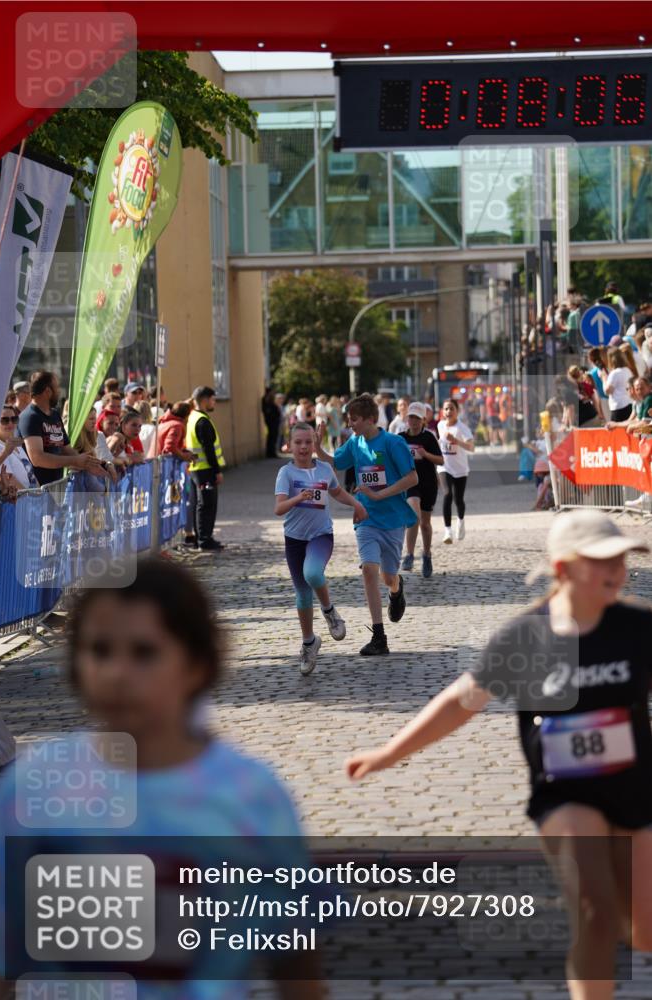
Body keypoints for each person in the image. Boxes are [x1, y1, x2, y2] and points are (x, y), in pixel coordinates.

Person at [346, 510, 652, 1000]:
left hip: (636, 789)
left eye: (621, 559)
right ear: (563, 570)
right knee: (594, 912)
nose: (617, 571)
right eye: (601, 562)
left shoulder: (638, 627)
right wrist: (389, 752)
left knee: (643, 930)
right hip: (564, 794)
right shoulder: (526, 637)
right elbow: (459, 704)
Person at [0, 558, 323, 998]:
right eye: (100, 651)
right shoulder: (30, 790)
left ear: (196, 664)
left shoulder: (251, 798)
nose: (117, 674)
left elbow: (297, 968)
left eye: (144, 652)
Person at [315, 393, 418, 657]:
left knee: (388, 576)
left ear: (371, 419)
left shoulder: (393, 443)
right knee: (369, 570)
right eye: (349, 421)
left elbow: (412, 478)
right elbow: (335, 462)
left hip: (393, 518)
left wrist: (380, 495)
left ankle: (396, 590)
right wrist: (318, 449)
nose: (351, 425)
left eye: (355, 420)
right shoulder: (355, 443)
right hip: (366, 517)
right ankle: (379, 636)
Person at [274, 422, 368, 675]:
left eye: (308, 442)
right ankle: (309, 642)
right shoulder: (286, 473)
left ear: (314, 443)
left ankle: (329, 612)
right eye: (298, 443)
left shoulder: (325, 469)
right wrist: (298, 498)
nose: (303, 447)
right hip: (294, 539)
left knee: (313, 573)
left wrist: (357, 505)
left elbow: (337, 493)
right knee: (302, 594)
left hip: (321, 536)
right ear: (290, 445)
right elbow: (279, 508)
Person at [17, 370, 105, 485]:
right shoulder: (30, 417)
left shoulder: (54, 415)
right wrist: (75, 461)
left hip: (56, 487)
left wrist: (96, 464)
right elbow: (37, 458)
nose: (59, 391)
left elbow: (66, 449)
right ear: (48, 391)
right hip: (36, 493)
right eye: (57, 387)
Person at [400, 402, 443, 578]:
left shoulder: (429, 437)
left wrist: (426, 455)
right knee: (413, 516)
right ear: (407, 418)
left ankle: (426, 554)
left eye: (417, 418)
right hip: (410, 483)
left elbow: (441, 461)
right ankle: (409, 555)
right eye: (411, 417)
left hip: (428, 484)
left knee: (425, 524)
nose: (414, 421)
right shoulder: (400, 437)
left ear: (423, 420)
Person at [186, 385, 226, 551]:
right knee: (207, 505)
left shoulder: (193, 417)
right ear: (204, 400)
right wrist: (216, 471)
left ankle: (202, 538)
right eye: (212, 399)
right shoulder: (202, 421)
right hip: (205, 470)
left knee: (200, 504)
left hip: (197, 469)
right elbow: (208, 449)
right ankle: (204, 540)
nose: (214, 402)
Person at [437, 399, 475, 544]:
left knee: (458, 500)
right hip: (444, 467)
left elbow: (472, 448)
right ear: (442, 411)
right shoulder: (440, 426)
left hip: (460, 469)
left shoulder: (462, 428)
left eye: (451, 409)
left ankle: (460, 520)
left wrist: (456, 441)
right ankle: (447, 530)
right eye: (446, 409)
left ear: (457, 411)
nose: (448, 412)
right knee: (447, 494)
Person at [0, 405, 38, 489]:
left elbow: (31, 475)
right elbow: (9, 480)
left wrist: (40, 493)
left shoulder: (16, 444)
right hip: (20, 500)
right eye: (5, 420)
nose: (10, 423)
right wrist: (32, 498)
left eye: (14, 419)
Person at [604, 348, 634, 423]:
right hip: (628, 403)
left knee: (617, 431)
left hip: (618, 406)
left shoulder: (614, 373)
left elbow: (608, 391)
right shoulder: (627, 370)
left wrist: (604, 378)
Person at [262, 387, 281, 459]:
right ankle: (270, 453)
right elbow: (268, 411)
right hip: (271, 421)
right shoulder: (266, 400)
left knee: (273, 436)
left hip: (273, 421)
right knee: (272, 436)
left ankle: (272, 452)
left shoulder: (270, 400)